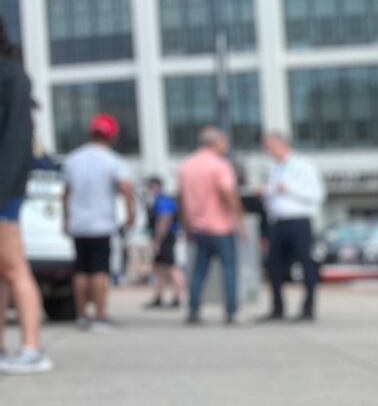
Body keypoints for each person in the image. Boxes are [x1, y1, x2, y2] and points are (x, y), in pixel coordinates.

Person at [0, 16, 51, 374]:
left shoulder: (11, 74)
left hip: (4, 187)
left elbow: (18, 139)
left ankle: (32, 348)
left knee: (14, 267)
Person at [61, 112, 136, 331]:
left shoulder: (74, 158)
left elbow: (66, 193)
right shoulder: (113, 161)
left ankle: (82, 314)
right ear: (112, 136)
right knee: (99, 271)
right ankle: (101, 315)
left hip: (78, 223)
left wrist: (65, 219)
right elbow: (125, 189)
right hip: (101, 223)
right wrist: (130, 214)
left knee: (81, 270)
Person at [175, 126, 243, 325]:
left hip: (197, 227)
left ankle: (194, 309)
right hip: (221, 227)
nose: (226, 145)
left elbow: (180, 197)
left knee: (198, 271)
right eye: (224, 141)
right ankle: (231, 311)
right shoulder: (220, 165)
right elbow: (227, 192)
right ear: (215, 143)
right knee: (229, 269)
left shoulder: (186, 165)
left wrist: (185, 222)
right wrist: (239, 219)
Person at [260, 131, 324, 322]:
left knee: (306, 264)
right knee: (273, 265)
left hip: (299, 221)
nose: (267, 151)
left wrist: (289, 189)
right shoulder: (274, 169)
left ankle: (308, 309)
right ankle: (278, 308)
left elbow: (317, 194)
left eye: (269, 146)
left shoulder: (303, 165)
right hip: (278, 222)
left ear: (281, 144)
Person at [144, 176, 183, 309]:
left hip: (165, 237)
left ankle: (177, 297)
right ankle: (158, 296)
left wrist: (157, 240)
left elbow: (164, 221)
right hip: (162, 237)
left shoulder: (163, 200)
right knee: (158, 267)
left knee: (171, 267)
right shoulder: (157, 200)